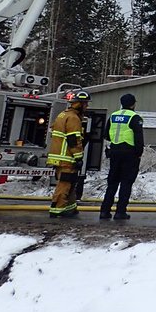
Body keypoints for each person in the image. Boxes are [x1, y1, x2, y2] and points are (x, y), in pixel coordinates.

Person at [99, 93, 144, 221]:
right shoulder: (135, 118)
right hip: (129, 153)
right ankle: (120, 212)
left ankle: (104, 211)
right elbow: (138, 137)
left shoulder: (113, 116)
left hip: (114, 152)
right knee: (126, 183)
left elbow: (106, 135)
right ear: (133, 104)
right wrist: (139, 152)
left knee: (112, 182)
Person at [47, 90, 90, 219]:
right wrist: (78, 157)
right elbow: (73, 139)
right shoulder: (73, 118)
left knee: (70, 182)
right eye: (85, 104)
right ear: (79, 104)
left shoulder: (62, 115)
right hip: (67, 157)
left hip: (59, 156)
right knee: (65, 183)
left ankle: (70, 207)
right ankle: (57, 208)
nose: (87, 107)